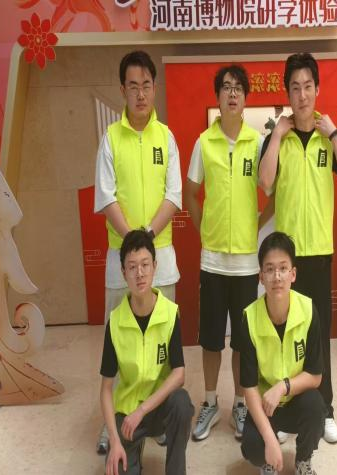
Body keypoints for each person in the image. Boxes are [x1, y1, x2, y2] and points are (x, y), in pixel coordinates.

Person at [257, 52, 337, 444]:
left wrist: (334, 134)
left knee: (317, 334)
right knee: (286, 335)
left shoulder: (326, 138)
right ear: (287, 92)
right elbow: (266, 183)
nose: (302, 95)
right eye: (295, 87)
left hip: (318, 252)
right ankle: (286, 414)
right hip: (286, 260)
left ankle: (326, 409)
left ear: (317, 90)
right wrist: (276, 136)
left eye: (308, 87)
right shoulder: (278, 140)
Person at [94, 50, 182, 453]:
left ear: (154, 88)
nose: (141, 93)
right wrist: (133, 246)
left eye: (146, 85)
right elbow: (106, 196)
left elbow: (173, 195)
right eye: (133, 86)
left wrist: (146, 241)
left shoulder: (167, 138)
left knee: (162, 343)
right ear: (122, 90)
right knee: (119, 343)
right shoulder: (111, 139)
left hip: (161, 257)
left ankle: (158, 416)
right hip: (121, 260)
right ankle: (112, 421)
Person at [185, 64, 273, 441]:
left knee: (241, 340)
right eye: (226, 87)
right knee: (210, 339)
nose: (232, 94)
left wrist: (255, 224)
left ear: (245, 97)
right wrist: (205, 230)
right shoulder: (204, 143)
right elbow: (191, 193)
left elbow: (272, 192)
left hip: (246, 264)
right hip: (213, 260)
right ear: (218, 97)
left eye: (238, 88)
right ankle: (209, 402)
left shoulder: (258, 143)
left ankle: (239, 404)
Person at [99, 230, 194, 475]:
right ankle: (132, 447)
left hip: (159, 407)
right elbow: (106, 389)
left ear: (154, 266)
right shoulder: (115, 322)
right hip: (128, 414)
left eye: (145, 265)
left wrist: (143, 410)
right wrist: (114, 440)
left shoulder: (170, 313)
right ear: (123, 273)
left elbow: (179, 374)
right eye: (132, 267)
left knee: (182, 403)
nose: (139, 273)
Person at [239, 232, 325, 475]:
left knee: (316, 408)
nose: (277, 277)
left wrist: (283, 387)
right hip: (266, 404)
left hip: (295, 397)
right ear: (261, 277)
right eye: (269, 269)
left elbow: (315, 376)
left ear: (293, 274)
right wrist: (269, 439)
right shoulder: (249, 317)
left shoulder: (308, 310)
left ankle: (303, 460)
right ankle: (268, 462)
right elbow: (249, 387)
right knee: (252, 445)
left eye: (283, 268)